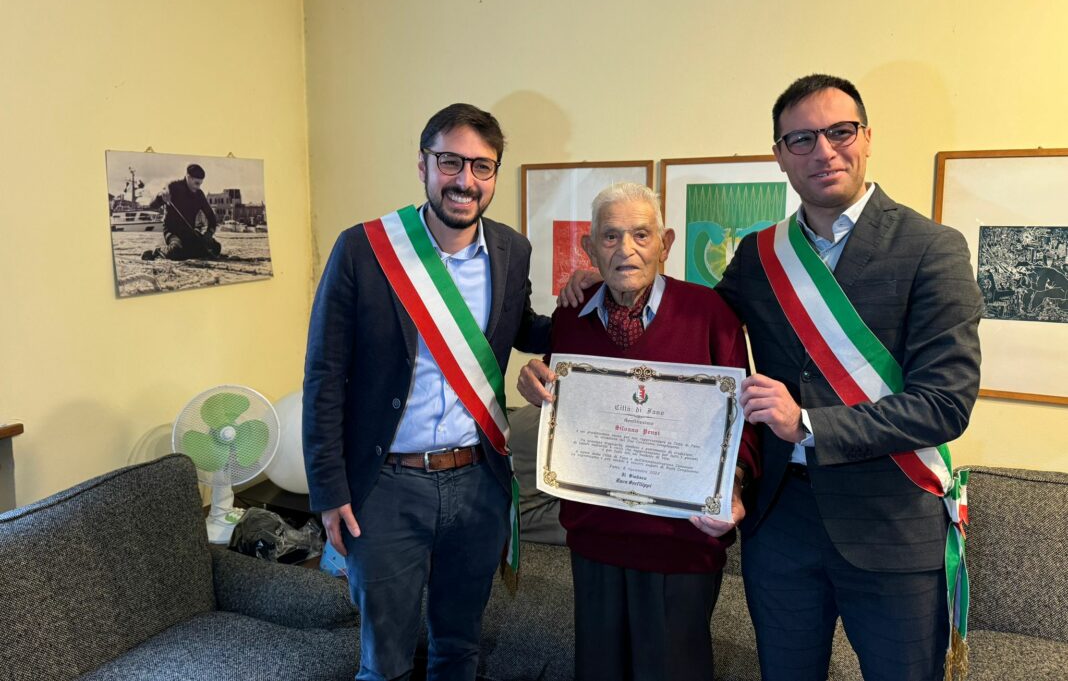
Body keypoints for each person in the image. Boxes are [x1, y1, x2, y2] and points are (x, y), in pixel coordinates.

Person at [561, 75, 982, 681]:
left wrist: (807, 423)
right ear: (781, 155)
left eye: (840, 132)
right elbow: (689, 328)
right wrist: (605, 283)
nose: (824, 151)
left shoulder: (932, 248)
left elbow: (945, 404)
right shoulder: (760, 254)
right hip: (780, 524)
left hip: (890, 525)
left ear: (867, 138)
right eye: (802, 139)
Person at [303, 103, 550, 681]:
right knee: (384, 663)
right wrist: (328, 490)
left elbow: (520, 328)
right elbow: (323, 375)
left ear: (494, 175)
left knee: (459, 649)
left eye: (482, 166)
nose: (466, 180)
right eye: (450, 162)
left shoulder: (512, 250)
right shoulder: (363, 249)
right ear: (423, 165)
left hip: (478, 482)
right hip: (387, 487)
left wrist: (587, 300)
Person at [517, 182, 759, 681]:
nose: (625, 249)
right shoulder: (571, 315)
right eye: (610, 236)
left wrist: (734, 483)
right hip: (596, 536)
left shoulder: (709, 314)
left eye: (641, 235)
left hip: (681, 540)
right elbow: (562, 397)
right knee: (600, 669)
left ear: (665, 244)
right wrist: (534, 380)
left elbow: (745, 419)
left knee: (674, 670)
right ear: (589, 249)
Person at [142, 163, 221, 260]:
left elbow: (211, 217)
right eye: (196, 183)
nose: (198, 187)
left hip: (189, 232)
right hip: (172, 231)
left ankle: (188, 251)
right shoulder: (173, 187)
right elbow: (152, 205)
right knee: (176, 251)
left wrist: (209, 233)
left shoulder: (199, 195)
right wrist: (160, 197)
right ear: (188, 177)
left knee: (215, 248)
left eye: (200, 184)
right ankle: (158, 251)